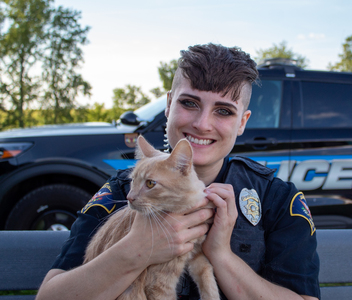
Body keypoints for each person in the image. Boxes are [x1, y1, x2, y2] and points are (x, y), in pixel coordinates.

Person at [36, 43, 320, 300]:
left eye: (223, 111)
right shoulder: (124, 192)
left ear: (242, 122)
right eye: (189, 103)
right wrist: (136, 249)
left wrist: (221, 255)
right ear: (169, 105)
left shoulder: (275, 198)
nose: (202, 124)